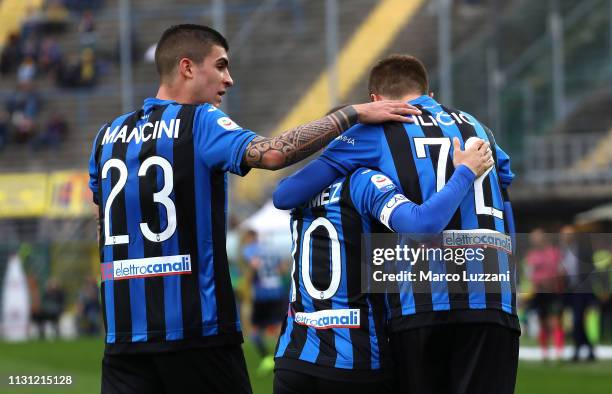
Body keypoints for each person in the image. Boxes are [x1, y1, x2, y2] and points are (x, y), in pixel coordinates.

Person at [88, 24, 418, 394]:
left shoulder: (106, 137)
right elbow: (275, 152)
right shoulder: (200, 121)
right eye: (221, 66)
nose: (229, 80)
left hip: (122, 335)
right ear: (187, 68)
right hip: (197, 333)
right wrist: (354, 113)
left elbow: (103, 228)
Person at [273, 54, 518, 394]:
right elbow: (504, 188)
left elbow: (287, 194)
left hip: (418, 303)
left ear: (375, 100)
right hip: (492, 298)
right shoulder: (478, 128)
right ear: (427, 91)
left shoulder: (372, 131)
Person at [273, 136, 493, 394]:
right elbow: (421, 225)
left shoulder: (298, 190)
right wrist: (465, 172)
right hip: (355, 359)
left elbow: (280, 196)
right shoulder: (363, 181)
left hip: (293, 358)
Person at [241, 230, 287, 375]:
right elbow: (282, 269)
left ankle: (266, 358)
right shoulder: (272, 250)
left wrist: (247, 285)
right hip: (278, 291)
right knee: (281, 326)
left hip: (262, 294)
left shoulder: (250, 250)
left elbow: (253, 267)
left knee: (254, 330)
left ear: (249, 238)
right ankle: (285, 357)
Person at [525, 228, 565, 361]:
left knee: (555, 321)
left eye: (537, 237)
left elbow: (561, 271)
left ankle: (559, 352)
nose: (535, 240)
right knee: (542, 322)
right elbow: (529, 274)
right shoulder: (532, 255)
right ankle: (544, 352)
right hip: (539, 292)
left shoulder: (554, 253)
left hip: (553, 292)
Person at [559, 225, 597, 361]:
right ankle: (589, 349)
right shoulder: (561, 250)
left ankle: (578, 349)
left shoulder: (583, 249)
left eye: (569, 234)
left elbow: (591, 268)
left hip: (582, 290)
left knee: (578, 320)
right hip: (568, 290)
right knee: (575, 321)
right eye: (564, 234)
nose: (566, 237)